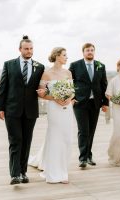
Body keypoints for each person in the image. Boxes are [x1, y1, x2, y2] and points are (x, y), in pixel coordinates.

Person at [0, 35, 45, 185]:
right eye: (26, 48)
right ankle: (14, 174)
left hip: (30, 111)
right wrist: (0, 107)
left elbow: (42, 87)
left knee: (26, 141)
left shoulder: (40, 67)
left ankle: (23, 172)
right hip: (12, 110)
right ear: (20, 49)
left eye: (31, 49)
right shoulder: (9, 65)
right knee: (15, 141)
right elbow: (3, 87)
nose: (29, 51)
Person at [29, 47, 74, 184]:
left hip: (67, 108)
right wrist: (55, 98)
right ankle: (55, 173)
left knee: (67, 139)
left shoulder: (68, 73)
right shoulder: (46, 74)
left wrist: (69, 98)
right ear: (57, 56)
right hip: (54, 108)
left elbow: (72, 91)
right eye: (64, 55)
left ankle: (63, 169)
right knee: (55, 138)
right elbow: (41, 92)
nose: (66, 57)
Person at [69, 43, 109, 168]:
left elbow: (104, 85)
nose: (90, 52)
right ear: (83, 52)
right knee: (83, 130)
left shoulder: (100, 66)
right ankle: (82, 158)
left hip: (95, 103)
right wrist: (71, 97)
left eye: (92, 50)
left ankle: (89, 156)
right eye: (87, 50)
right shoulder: (75, 65)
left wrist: (105, 103)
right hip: (80, 103)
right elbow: (70, 83)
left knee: (91, 130)